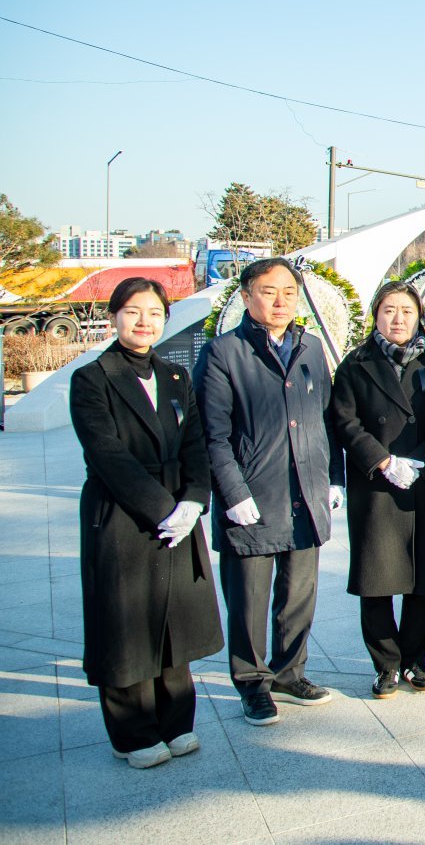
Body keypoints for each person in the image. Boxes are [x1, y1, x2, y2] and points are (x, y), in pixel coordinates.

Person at [70, 277, 223, 769]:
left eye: (154, 313)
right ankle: (132, 733)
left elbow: (198, 444)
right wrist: (164, 509)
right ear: (114, 316)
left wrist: (195, 501)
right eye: (133, 312)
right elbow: (107, 454)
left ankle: (176, 721)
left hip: (181, 508)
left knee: (173, 617)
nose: (144, 322)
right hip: (124, 513)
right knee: (127, 622)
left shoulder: (175, 377)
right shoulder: (93, 378)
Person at [197, 257, 342, 726]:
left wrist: (332, 477)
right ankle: (252, 684)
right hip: (252, 495)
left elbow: (326, 419)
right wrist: (233, 493)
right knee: (249, 599)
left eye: (288, 292)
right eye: (268, 291)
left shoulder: (311, 347)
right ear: (245, 296)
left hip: (304, 490)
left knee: (299, 591)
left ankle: (289, 672)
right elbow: (212, 433)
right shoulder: (224, 353)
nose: (279, 301)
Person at [329, 281, 425, 699]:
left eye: (406, 310)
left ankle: (416, 660)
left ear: (419, 316)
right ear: (376, 315)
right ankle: (385, 665)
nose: (398, 319)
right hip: (377, 485)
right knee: (376, 579)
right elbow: (345, 421)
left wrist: (423, 460)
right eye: (388, 310)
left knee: (421, 580)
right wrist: (383, 461)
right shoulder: (355, 364)